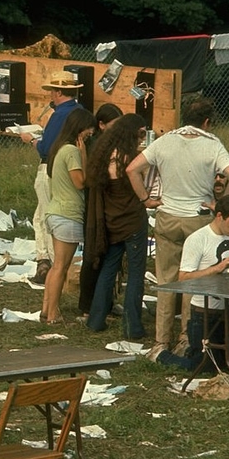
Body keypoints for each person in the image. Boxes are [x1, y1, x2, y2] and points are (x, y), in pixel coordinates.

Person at [126, 97, 229, 355]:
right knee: (194, 280)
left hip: (167, 216)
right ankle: (187, 338)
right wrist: (221, 205)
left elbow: (132, 169)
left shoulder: (164, 141)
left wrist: (145, 199)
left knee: (166, 280)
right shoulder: (212, 145)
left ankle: (160, 341)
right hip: (198, 218)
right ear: (207, 122)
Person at [152, 195, 229, 373]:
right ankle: (161, 355)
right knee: (204, 367)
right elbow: (184, 278)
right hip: (204, 314)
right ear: (219, 216)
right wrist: (217, 268)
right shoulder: (198, 239)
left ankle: (204, 353)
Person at [85, 114, 149, 339]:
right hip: (132, 219)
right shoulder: (131, 159)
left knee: (108, 269)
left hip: (111, 220)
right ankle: (132, 326)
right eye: (141, 133)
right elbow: (143, 185)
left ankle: (96, 318)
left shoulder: (103, 156)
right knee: (136, 273)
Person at [19, 71, 83, 285]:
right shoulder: (79, 111)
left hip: (51, 167)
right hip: (68, 169)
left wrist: (31, 140)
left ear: (57, 92)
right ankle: (44, 261)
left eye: (52, 92)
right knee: (40, 216)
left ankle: (54, 269)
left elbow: (46, 148)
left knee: (47, 217)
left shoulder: (59, 114)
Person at [41, 108, 97, 324]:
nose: (90, 134)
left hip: (57, 212)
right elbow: (80, 182)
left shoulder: (59, 148)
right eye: (88, 131)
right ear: (80, 129)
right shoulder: (72, 151)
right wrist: (84, 155)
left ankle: (47, 308)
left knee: (57, 265)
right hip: (68, 214)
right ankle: (53, 313)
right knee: (61, 267)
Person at [78, 103, 124, 315]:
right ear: (102, 125)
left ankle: (103, 301)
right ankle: (88, 304)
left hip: (108, 204)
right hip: (97, 204)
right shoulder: (96, 145)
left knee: (106, 253)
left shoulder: (111, 144)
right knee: (94, 252)